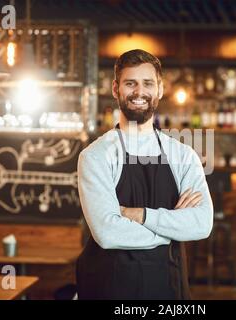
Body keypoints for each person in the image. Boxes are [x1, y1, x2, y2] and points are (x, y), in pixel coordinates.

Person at [76, 49, 213, 300]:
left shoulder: (183, 156)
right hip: (109, 287)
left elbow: (202, 224)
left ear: (160, 90)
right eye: (131, 83)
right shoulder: (96, 156)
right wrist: (173, 229)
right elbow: (107, 234)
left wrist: (137, 215)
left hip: (168, 286)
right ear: (116, 89)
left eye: (147, 83)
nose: (139, 92)